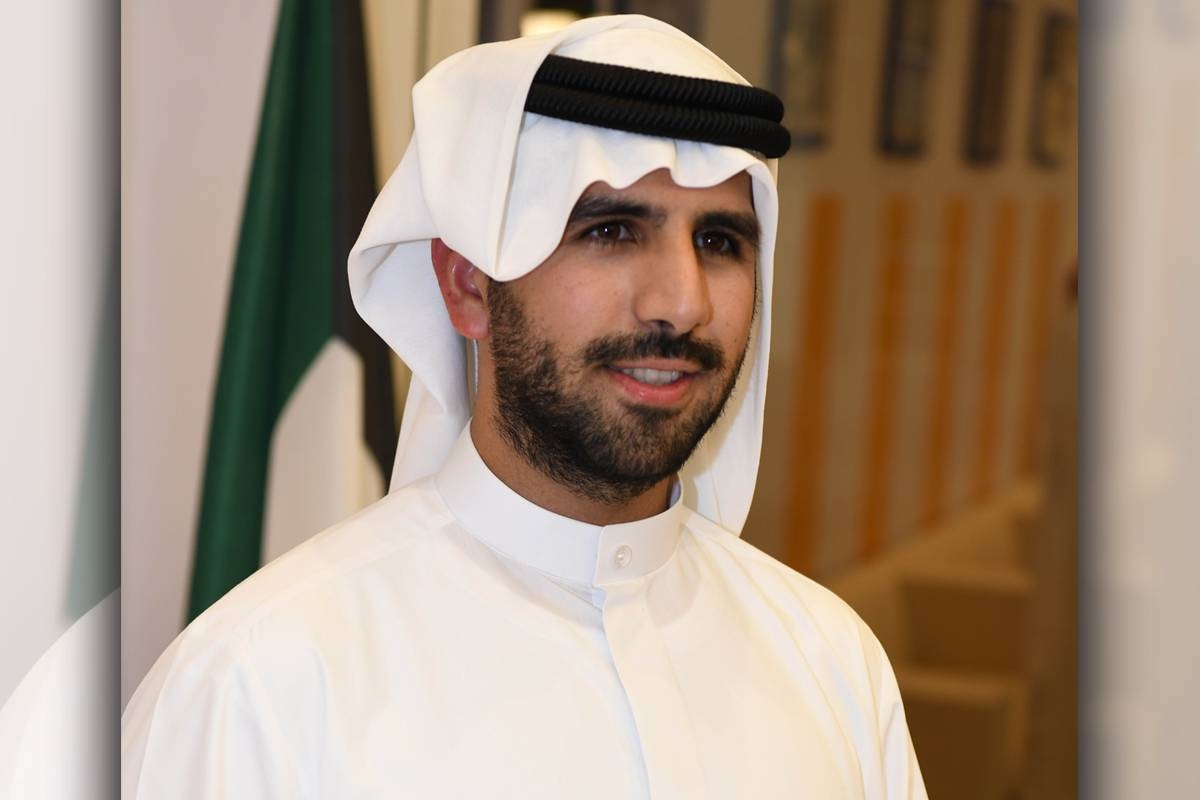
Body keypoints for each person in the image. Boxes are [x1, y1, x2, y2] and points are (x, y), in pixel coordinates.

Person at [123, 15, 926, 799]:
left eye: (719, 243)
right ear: (468, 283)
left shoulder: (830, 663)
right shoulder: (263, 687)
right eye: (612, 231)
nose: (682, 304)